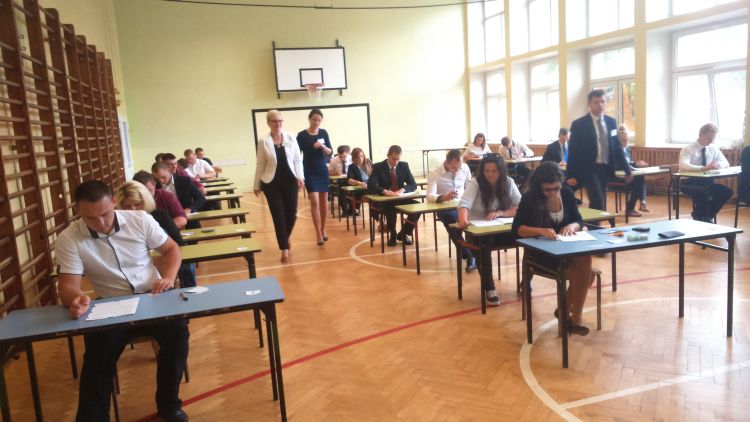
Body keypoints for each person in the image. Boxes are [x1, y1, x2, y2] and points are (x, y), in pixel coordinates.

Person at [55, 180, 188, 422]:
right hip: (110, 306)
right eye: (90, 218)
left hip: (153, 299)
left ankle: (169, 404)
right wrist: (75, 299)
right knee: (97, 359)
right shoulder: (69, 238)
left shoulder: (140, 220)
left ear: (114, 203)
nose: (101, 222)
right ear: (78, 211)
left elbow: (171, 249)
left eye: (105, 214)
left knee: (178, 335)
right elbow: (67, 285)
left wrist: (168, 277)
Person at [512, 162, 594, 336]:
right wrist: (540, 231)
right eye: (547, 190)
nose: (552, 192)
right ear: (539, 186)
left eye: (556, 188)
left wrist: (572, 226)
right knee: (588, 273)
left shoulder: (566, 193)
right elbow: (517, 229)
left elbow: (579, 220)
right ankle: (573, 317)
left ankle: (566, 313)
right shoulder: (529, 198)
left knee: (586, 262)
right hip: (542, 254)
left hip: (567, 249)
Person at [457, 154, 521, 305]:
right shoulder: (476, 182)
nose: (490, 174)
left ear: (501, 171)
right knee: (484, 246)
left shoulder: (508, 182)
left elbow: (520, 207)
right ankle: (489, 288)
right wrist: (463, 220)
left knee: (527, 239)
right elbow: (464, 203)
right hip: (478, 231)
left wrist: (501, 213)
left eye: (494, 171)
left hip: (501, 229)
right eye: (487, 171)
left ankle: (526, 282)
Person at [115, 180, 196, 288]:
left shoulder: (161, 216)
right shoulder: (120, 225)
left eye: (137, 204)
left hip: (164, 266)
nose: (133, 210)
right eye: (127, 206)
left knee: (186, 267)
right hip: (136, 274)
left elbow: (178, 243)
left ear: (145, 201)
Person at [566, 89, 632, 211]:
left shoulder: (611, 122)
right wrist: (570, 174)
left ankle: (592, 222)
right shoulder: (579, 124)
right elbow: (572, 151)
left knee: (598, 202)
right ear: (589, 104)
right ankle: (598, 223)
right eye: (596, 102)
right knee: (598, 200)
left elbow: (616, 147)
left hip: (605, 168)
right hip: (588, 169)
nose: (600, 105)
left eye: (602, 101)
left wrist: (627, 169)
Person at [253, 109, 304, 263]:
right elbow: (260, 164)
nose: (278, 124)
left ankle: (285, 237)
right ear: (269, 123)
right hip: (271, 183)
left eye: (280, 121)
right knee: (278, 215)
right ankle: (284, 248)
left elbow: (297, 160)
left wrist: (300, 177)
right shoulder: (264, 141)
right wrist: (256, 184)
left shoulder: (291, 137)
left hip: (290, 181)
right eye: (274, 121)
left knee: (292, 214)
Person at [426, 149, 476, 272]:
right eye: (454, 167)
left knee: (476, 219)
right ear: (446, 163)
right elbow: (429, 196)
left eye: (459, 167)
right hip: (444, 206)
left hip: (463, 204)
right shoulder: (435, 173)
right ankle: (469, 256)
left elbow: (470, 187)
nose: (457, 170)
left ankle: (477, 252)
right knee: (452, 223)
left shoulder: (464, 168)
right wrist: (444, 197)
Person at [678, 123, 732, 223]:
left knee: (727, 192)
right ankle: (703, 217)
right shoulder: (688, 149)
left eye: (712, 139)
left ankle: (701, 215)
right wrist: (702, 168)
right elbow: (683, 165)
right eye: (708, 138)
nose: (710, 141)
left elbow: (725, 163)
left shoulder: (713, 148)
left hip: (706, 182)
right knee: (703, 192)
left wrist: (717, 165)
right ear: (700, 135)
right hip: (689, 182)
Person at [367, 145, 419, 247]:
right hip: (384, 200)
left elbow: (413, 184)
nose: (395, 162)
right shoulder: (378, 166)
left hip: (399, 197)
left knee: (417, 208)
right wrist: (386, 192)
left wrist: (402, 190)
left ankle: (404, 233)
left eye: (398, 159)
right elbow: (371, 185)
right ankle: (393, 234)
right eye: (393, 159)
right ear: (388, 156)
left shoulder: (403, 166)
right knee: (390, 207)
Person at [297, 108, 334, 245]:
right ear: (309, 119)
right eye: (314, 119)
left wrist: (322, 146)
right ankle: (317, 232)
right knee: (314, 200)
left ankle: (323, 228)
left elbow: (330, 152)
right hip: (308, 170)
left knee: (324, 200)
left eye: (319, 120)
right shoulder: (302, 135)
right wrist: (297, 174)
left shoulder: (323, 132)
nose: (316, 122)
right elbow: (296, 154)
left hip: (322, 170)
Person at [152, 162, 206, 229]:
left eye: (163, 177)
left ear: (169, 170)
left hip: (187, 218)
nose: (161, 181)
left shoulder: (184, 181)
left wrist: (189, 209)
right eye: (157, 179)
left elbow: (201, 198)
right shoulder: (154, 186)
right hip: (165, 223)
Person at [615, 125, 649, 217]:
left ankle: (637, 205)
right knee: (639, 181)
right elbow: (616, 165)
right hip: (616, 177)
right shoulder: (614, 150)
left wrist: (636, 163)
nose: (626, 143)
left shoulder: (627, 149)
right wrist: (632, 165)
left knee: (640, 178)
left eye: (628, 140)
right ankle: (638, 204)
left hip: (627, 176)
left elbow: (628, 162)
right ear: (617, 140)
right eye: (623, 140)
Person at [346, 147, 374, 218]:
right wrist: (359, 183)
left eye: (362, 156)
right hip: (361, 189)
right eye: (358, 157)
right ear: (354, 158)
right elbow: (349, 180)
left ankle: (378, 212)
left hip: (370, 186)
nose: (360, 159)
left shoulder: (368, 163)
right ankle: (354, 208)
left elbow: (375, 175)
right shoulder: (352, 167)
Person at [329, 144, 353, 215]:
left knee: (354, 191)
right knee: (341, 191)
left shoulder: (352, 159)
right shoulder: (333, 160)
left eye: (344, 156)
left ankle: (352, 210)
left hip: (350, 179)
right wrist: (335, 173)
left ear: (348, 153)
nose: (343, 158)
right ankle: (345, 211)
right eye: (340, 156)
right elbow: (329, 173)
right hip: (339, 180)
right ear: (338, 154)